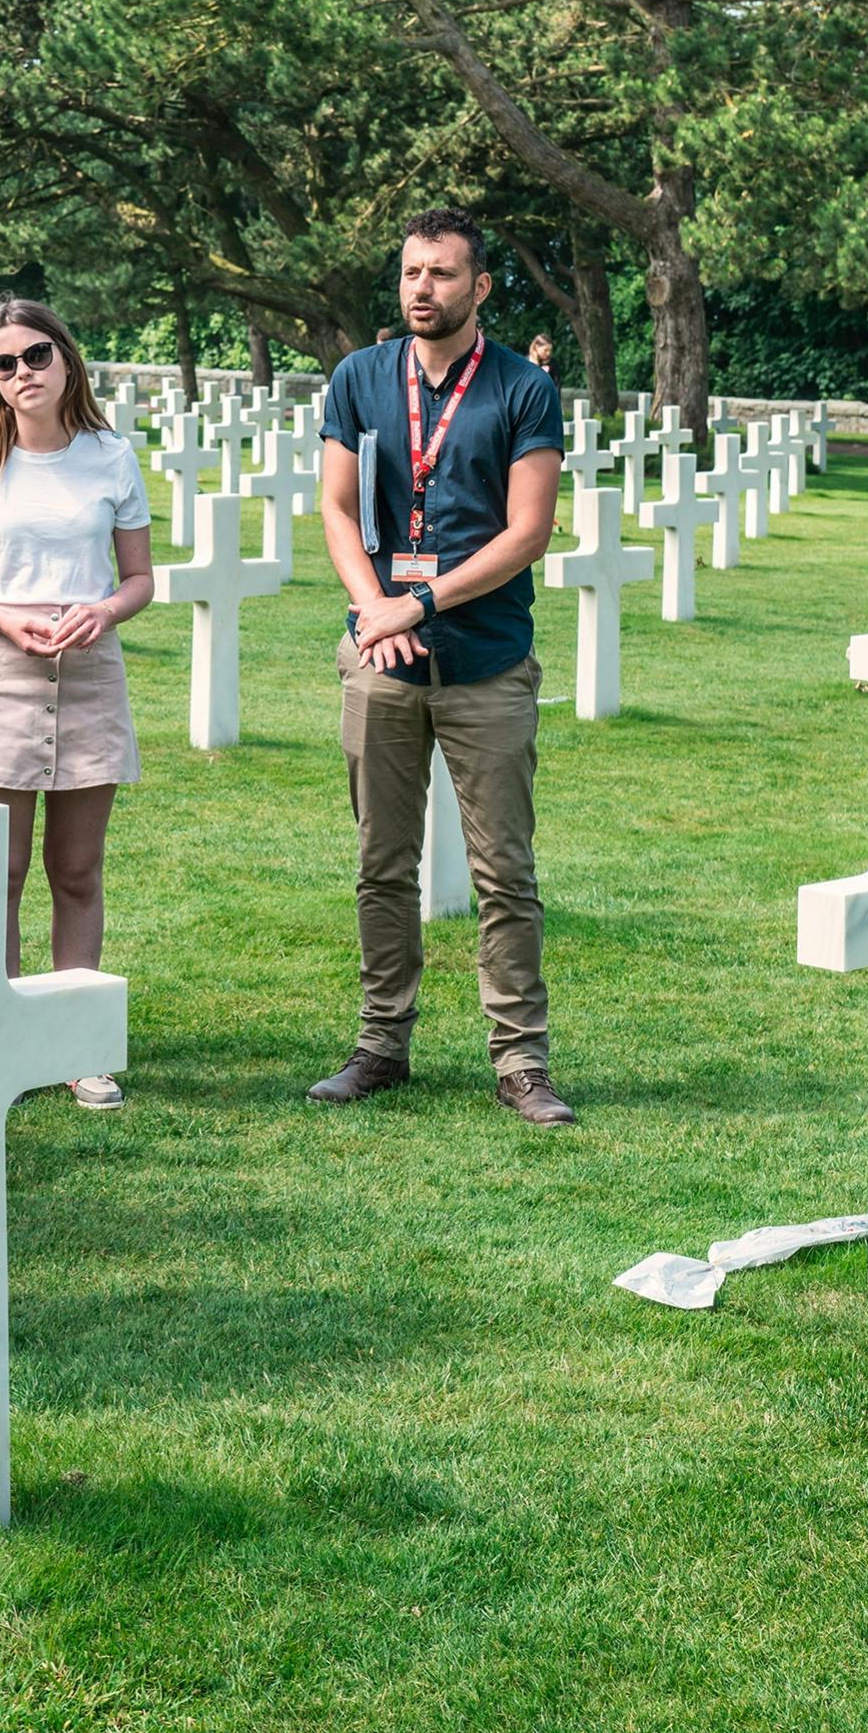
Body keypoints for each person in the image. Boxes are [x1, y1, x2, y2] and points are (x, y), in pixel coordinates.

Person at [309, 210, 573, 1122]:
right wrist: (371, 614)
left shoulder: (523, 389)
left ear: (480, 287)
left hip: (486, 661)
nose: (424, 288)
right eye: (413, 272)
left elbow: (526, 532)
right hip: (381, 659)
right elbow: (339, 510)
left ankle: (521, 1062)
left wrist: (416, 603)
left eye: (445, 274)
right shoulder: (357, 377)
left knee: (505, 870)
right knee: (383, 862)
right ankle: (381, 1043)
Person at [0, 298, 154, 1109]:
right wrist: (4, 615)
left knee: (77, 870)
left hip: (90, 674)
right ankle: (1, 1041)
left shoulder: (111, 457)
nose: (22, 374)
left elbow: (139, 579)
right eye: (4, 364)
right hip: (1, 674)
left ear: (66, 358)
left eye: (36, 357)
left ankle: (77, 1045)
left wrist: (106, 610)